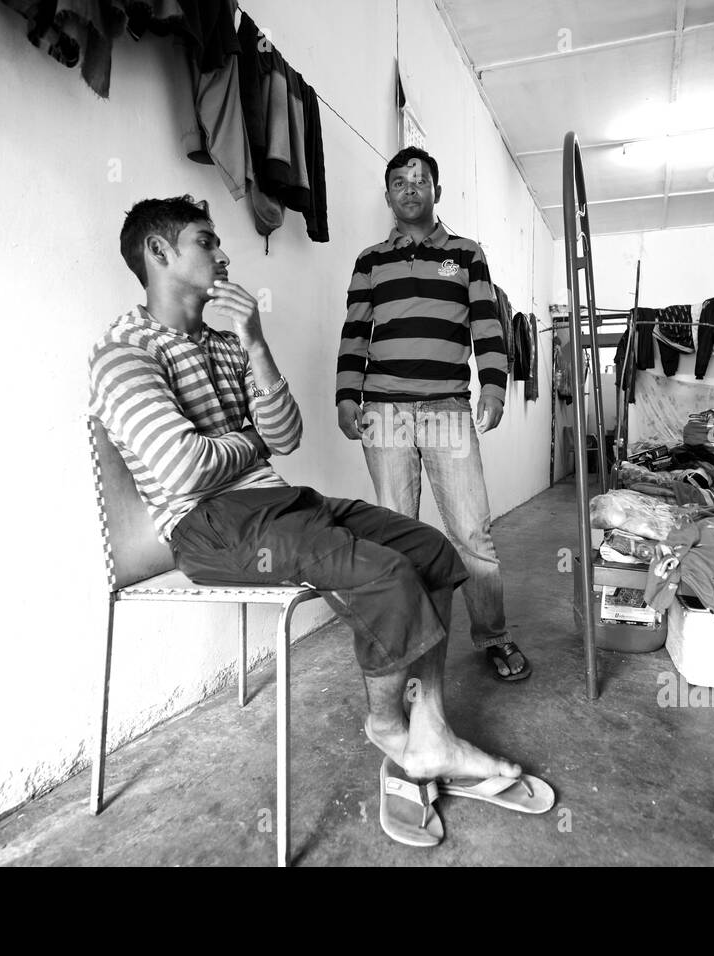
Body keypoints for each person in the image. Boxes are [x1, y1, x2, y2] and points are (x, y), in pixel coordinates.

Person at [88, 195, 533, 846]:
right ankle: (390, 730)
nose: (224, 254)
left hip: (276, 501)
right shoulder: (123, 353)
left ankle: (431, 735)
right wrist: (248, 442)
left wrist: (256, 347)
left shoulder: (224, 342)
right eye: (206, 242)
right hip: (206, 525)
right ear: (159, 253)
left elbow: (287, 435)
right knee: (383, 576)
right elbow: (182, 470)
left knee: (432, 551)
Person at [335, 147, 531, 682]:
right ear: (389, 196)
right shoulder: (369, 261)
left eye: (420, 180)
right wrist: (346, 394)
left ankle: (492, 636)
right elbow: (355, 333)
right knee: (395, 532)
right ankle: (409, 641)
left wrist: (493, 386)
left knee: (472, 533)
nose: (410, 188)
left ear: (437, 192)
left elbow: (487, 325)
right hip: (383, 413)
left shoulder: (467, 255)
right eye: (398, 182)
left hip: (447, 407)